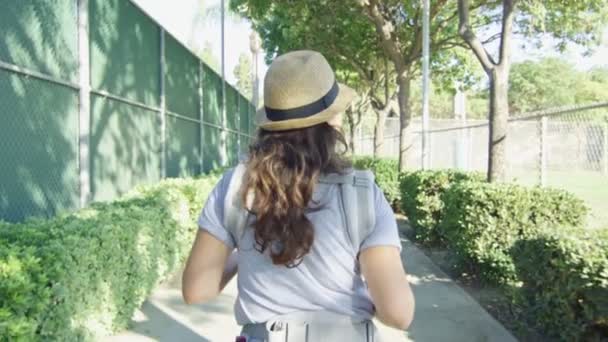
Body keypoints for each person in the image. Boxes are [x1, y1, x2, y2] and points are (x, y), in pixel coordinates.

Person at [182, 50, 415, 341]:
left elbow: (196, 290)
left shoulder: (236, 188)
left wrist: (245, 248)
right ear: (332, 123)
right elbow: (398, 313)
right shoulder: (363, 195)